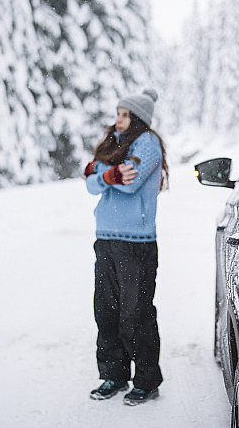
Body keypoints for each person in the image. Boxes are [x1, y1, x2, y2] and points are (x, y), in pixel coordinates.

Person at [83, 88, 169, 406]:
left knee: (136, 314)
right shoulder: (112, 145)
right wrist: (107, 174)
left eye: (124, 115)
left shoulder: (147, 144)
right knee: (106, 311)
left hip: (137, 243)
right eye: (117, 113)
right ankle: (114, 376)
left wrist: (101, 172)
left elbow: (130, 182)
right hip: (105, 237)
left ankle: (146, 380)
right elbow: (91, 182)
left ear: (138, 119)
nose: (118, 120)